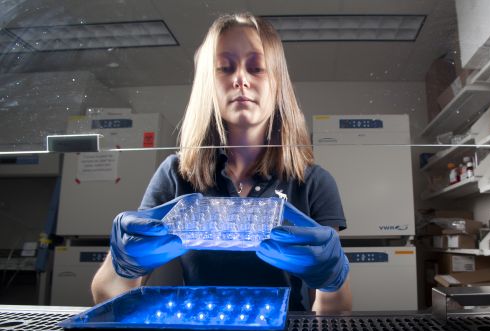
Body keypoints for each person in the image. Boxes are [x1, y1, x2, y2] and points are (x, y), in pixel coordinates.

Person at [91, 13, 352, 313]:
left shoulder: (313, 182)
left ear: (279, 83)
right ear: (208, 86)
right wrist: (122, 266)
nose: (241, 79)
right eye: (224, 68)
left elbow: (336, 311)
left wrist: (332, 281)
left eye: (257, 68)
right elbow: (107, 294)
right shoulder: (176, 175)